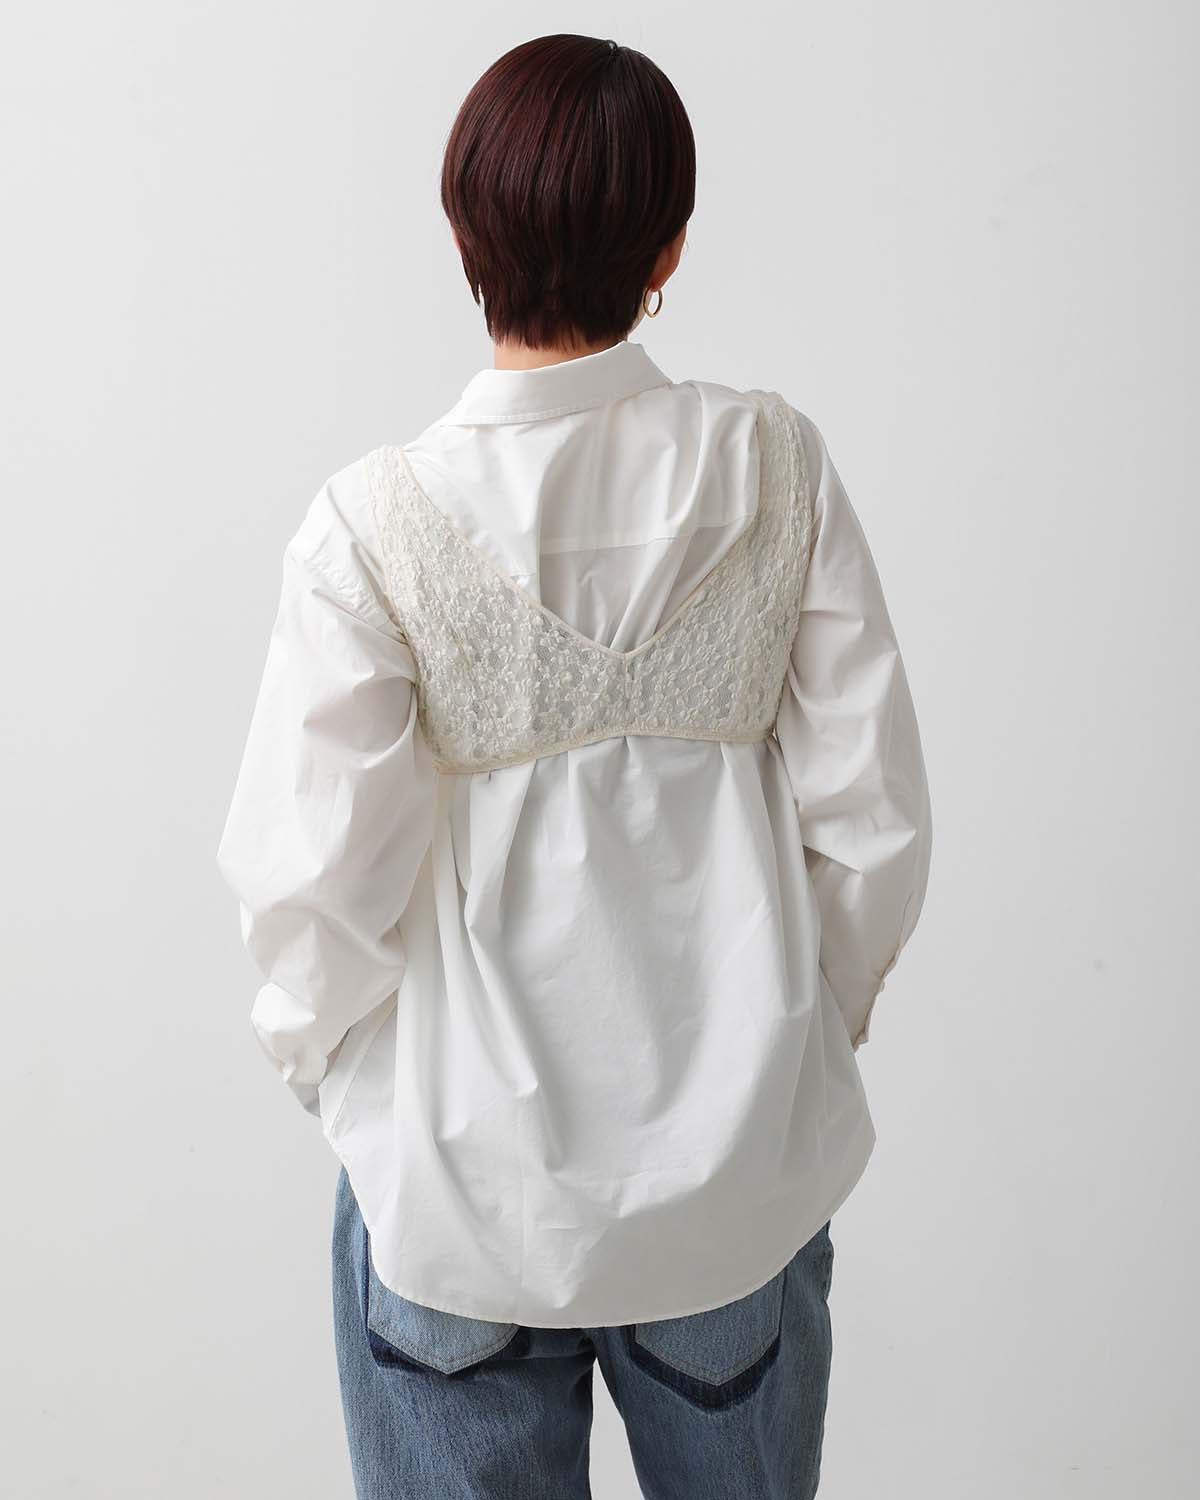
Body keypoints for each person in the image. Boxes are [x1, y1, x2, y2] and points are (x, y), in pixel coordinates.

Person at [216, 31, 933, 1500]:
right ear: (669, 246)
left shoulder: (370, 526)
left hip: (452, 1195)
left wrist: (366, 1098)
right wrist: (793, 1044)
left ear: (462, 232)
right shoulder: (775, 468)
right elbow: (872, 824)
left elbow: (307, 893)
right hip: (737, 1191)